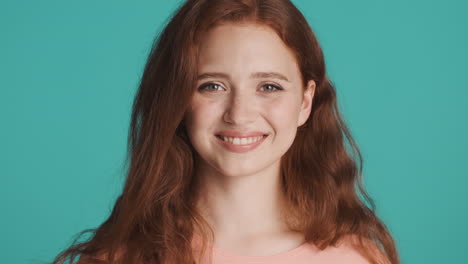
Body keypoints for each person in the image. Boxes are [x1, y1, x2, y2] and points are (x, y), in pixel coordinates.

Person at [49, 0, 400, 263]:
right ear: (178, 99)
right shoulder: (119, 257)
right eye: (212, 86)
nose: (239, 114)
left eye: (269, 87)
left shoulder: (357, 259)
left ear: (305, 101)